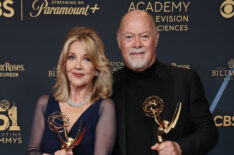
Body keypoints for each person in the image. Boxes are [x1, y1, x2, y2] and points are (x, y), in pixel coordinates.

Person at [112, 10, 218, 155]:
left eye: (144, 36)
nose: (137, 44)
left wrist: (180, 147)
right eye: (129, 37)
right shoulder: (106, 87)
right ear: (119, 41)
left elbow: (209, 133)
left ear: (156, 38)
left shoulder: (184, 80)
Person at [27, 27, 116, 155]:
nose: (77, 66)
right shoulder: (45, 103)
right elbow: (32, 151)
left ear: (97, 68)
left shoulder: (104, 107)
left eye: (87, 59)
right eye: (71, 57)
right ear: (64, 64)